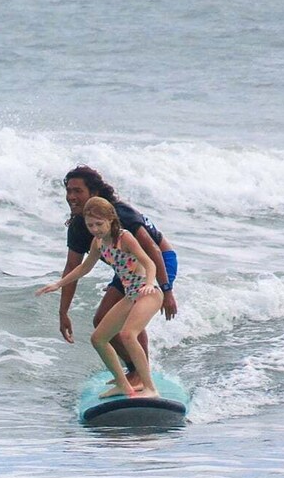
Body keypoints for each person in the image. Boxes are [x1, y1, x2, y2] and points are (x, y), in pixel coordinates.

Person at [60, 165, 178, 387]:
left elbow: (152, 251)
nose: (71, 196)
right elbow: (72, 268)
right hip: (128, 270)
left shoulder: (119, 214)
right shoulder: (80, 226)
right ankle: (134, 370)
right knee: (101, 320)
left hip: (160, 261)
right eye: (69, 191)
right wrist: (63, 312)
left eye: (78, 191)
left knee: (132, 320)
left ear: (94, 192)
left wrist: (166, 289)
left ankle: (142, 375)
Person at [36, 197, 162, 398]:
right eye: (90, 225)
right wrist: (59, 284)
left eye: (99, 224)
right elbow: (84, 268)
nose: (95, 229)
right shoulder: (98, 243)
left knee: (128, 334)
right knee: (98, 339)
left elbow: (149, 263)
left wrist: (148, 283)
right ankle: (123, 385)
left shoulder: (125, 238)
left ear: (111, 219)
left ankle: (150, 388)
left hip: (149, 293)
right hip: (131, 295)